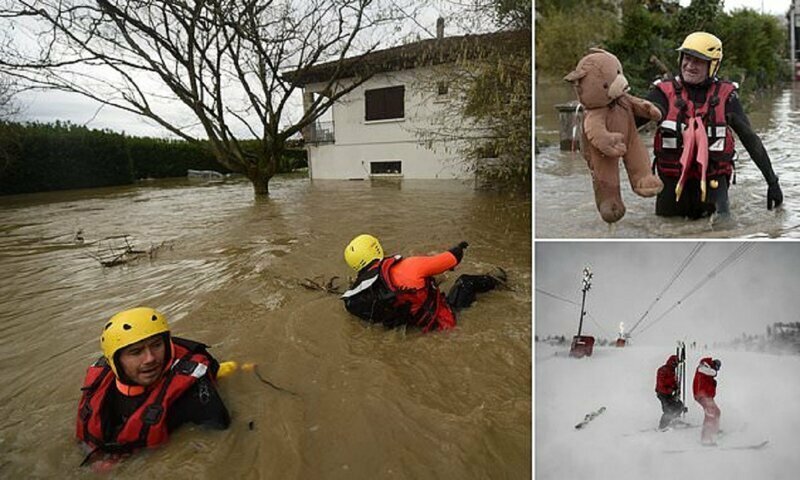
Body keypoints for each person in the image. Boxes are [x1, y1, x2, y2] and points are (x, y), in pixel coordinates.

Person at [637, 31, 783, 219]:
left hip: (714, 183)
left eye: (697, 61)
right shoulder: (662, 94)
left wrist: (772, 182)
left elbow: (750, 140)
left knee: (723, 229)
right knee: (666, 231)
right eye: (687, 58)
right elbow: (629, 126)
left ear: (712, 65)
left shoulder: (727, 97)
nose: (689, 66)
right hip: (672, 186)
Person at [76, 307, 230, 466]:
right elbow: (86, 438)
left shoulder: (192, 393)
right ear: (114, 362)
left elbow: (220, 439)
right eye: (136, 352)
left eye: (157, 345)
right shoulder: (100, 387)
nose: (150, 358)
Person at [340, 234, 504, 332]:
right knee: (465, 282)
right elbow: (453, 258)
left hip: (416, 324)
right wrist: (460, 247)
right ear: (377, 249)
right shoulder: (409, 265)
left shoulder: (357, 295)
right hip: (444, 323)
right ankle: (502, 280)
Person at [692, 357, 722, 445]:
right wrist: (714, 373)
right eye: (717, 368)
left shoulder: (707, 370)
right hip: (702, 395)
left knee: (717, 412)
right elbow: (709, 372)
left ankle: (714, 430)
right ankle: (705, 438)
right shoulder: (703, 366)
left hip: (707, 396)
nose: (717, 370)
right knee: (710, 414)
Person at [655, 354, 687, 430]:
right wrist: (670, 389)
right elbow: (661, 384)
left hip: (669, 393)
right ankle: (662, 426)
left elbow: (672, 382)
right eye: (675, 364)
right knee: (668, 410)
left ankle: (674, 420)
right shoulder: (663, 370)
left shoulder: (672, 371)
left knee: (679, 405)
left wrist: (676, 387)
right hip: (662, 393)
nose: (676, 366)